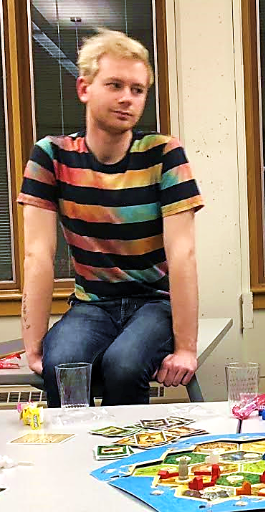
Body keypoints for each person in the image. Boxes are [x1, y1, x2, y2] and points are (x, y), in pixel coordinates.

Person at [19, 29, 203, 406]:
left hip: (154, 302)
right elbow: (37, 254)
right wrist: (33, 344)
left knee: (124, 365)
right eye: (115, 85)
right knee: (62, 364)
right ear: (84, 88)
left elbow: (182, 253)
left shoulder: (164, 153)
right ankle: (69, 461)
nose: (126, 98)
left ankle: (125, 460)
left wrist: (186, 348)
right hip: (91, 303)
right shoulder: (50, 155)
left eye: (137, 90)